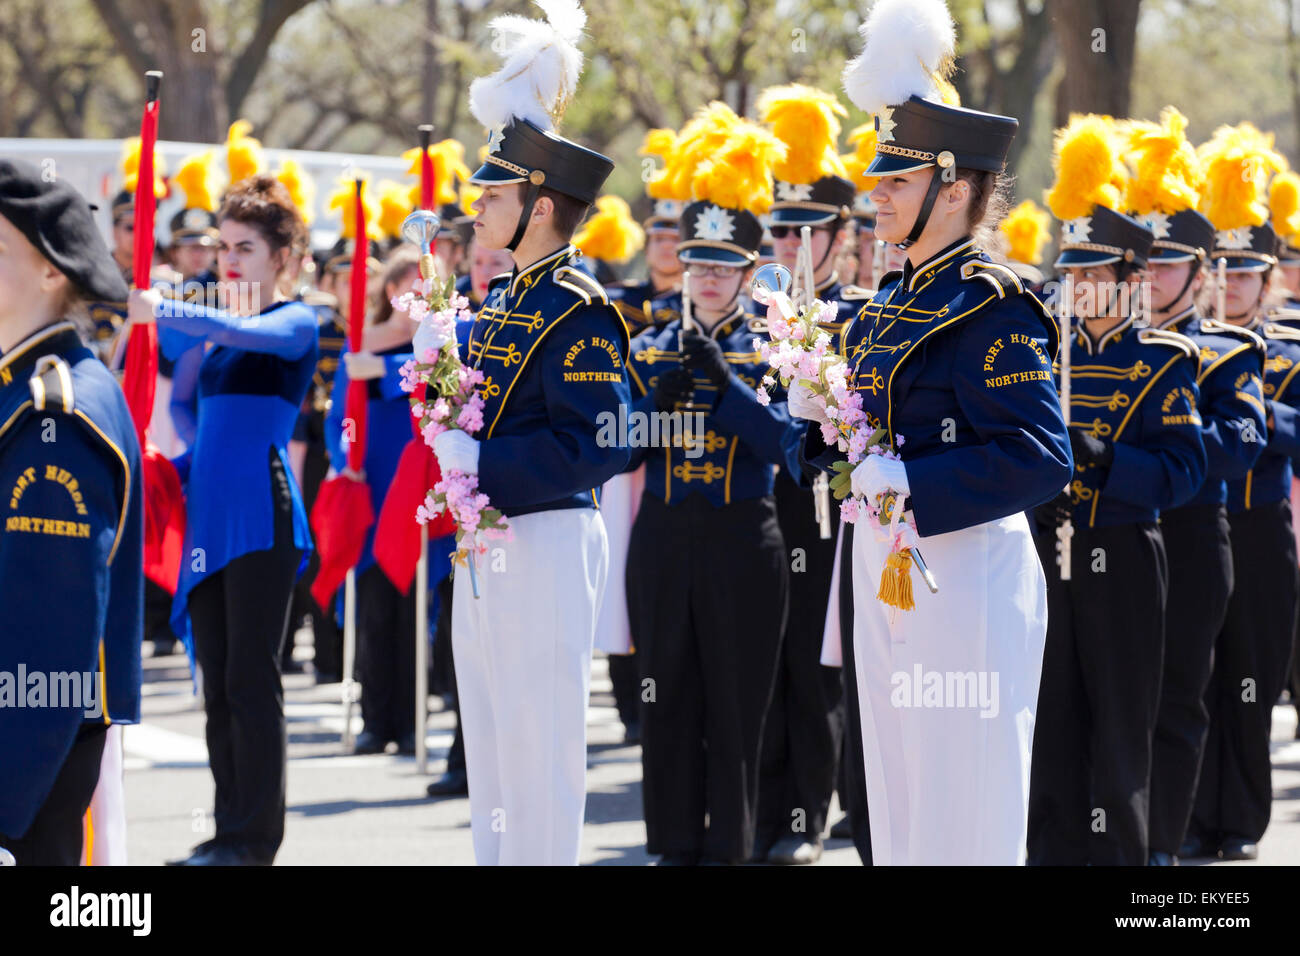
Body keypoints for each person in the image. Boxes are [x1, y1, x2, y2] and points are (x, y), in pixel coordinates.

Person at [795, 0, 1073, 866]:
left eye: (896, 183)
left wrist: (912, 485)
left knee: (964, 807)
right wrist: (818, 428)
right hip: (886, 567)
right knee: (902, 800)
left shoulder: (994, 301)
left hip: (965, 578)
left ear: (953, 191)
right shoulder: (886, 303)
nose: (875, 196)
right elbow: (860, 444)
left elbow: (1039, 458)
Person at [430, 2, 631, 865]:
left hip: (547, 535)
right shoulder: (501, 300)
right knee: (495, 740)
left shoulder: (579, 309)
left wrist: (483, 462)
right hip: (491, 538)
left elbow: (604, 441)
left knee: (540, 748)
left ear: (541, 207)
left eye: (495, 193)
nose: (477, 205)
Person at [1028, 114, 1207, 866]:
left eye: (1094, 274)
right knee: (1049, 721)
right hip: (1044, 552)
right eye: (1070, 273)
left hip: (1124, 553)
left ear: (1130, 281)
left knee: (1122, 724)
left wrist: (1110, 460)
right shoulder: (1037, 350)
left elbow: (1186, 471)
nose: (1078, 287)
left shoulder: (1165, 359)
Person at [130, 175, 318, 866]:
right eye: (224, 248)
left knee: (250, 679)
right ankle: (226, 832)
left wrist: (166, 303)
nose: (230, 261)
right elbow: (181, 404)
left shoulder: (294, 322)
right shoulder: (215, 334)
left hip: (262, 516)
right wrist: (177, 461)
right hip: (208, 514)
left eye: (245, 249)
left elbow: (230, 324)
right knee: (217, 683)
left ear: (283, 255)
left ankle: (254, 840)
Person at [623, 103, 792, 866]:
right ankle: (671, 844)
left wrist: (727, 389)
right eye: (699, 267)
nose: (711, 280)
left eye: (725, 268)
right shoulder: (649, 343)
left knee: (736, 703)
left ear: (750, 274)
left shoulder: (777, 348)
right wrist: (653, 412)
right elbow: (616, 450)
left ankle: (732, 846)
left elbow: (792, 447)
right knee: (665, 698)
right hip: (662, 536)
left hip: (741, 538)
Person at [1125, 109, 1269, 866]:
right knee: (1116, 700)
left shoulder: (1226, 350)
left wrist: (1153, 452)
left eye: (1169, 263)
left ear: (1199, 271)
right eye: (1143, 261)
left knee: (1180, 696)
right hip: (1111, 535)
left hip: (1187, 533)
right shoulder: (1104, 348)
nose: (1152, 276)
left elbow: (1242, 444)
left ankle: (1167, 843)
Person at [0, 159, 143, 865]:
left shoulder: (55, 409)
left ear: (52, 270)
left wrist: (7, 797)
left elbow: (49, 632)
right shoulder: (28, 385)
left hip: (33, 757)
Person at [752, 82, 870, 865]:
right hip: (767, 507)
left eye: (807, 231)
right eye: (781, 229)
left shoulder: (862, 312)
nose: (792, 245)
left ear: (837, 235)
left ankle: (823, 813)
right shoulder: (754, 313)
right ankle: (775, 812)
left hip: (838, 504)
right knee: (773, 655)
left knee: (831, 664)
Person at [1186, 123, 1300, 861]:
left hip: (1258, 529)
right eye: (1218, 273)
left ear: (1267, 282)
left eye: (1243, 276)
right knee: (1194, 676)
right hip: (1196, 526)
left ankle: (1242, 822)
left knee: (1252, 681)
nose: (1229, 287)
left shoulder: (1287, 348)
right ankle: (1195, 815)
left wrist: (1249, 405)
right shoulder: (1183, 349)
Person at [326, 246, 421, 754]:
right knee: (374, 608)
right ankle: (375, 719)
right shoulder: (360, 346)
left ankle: (409, 720)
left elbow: (439, 381)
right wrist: (346, 462)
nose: (419, 296)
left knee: (413, 607)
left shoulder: (438, 345)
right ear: (390, 291)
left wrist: (387, 370)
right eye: (411, 286)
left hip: (417, 494)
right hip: (373, 488)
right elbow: (340, 416)